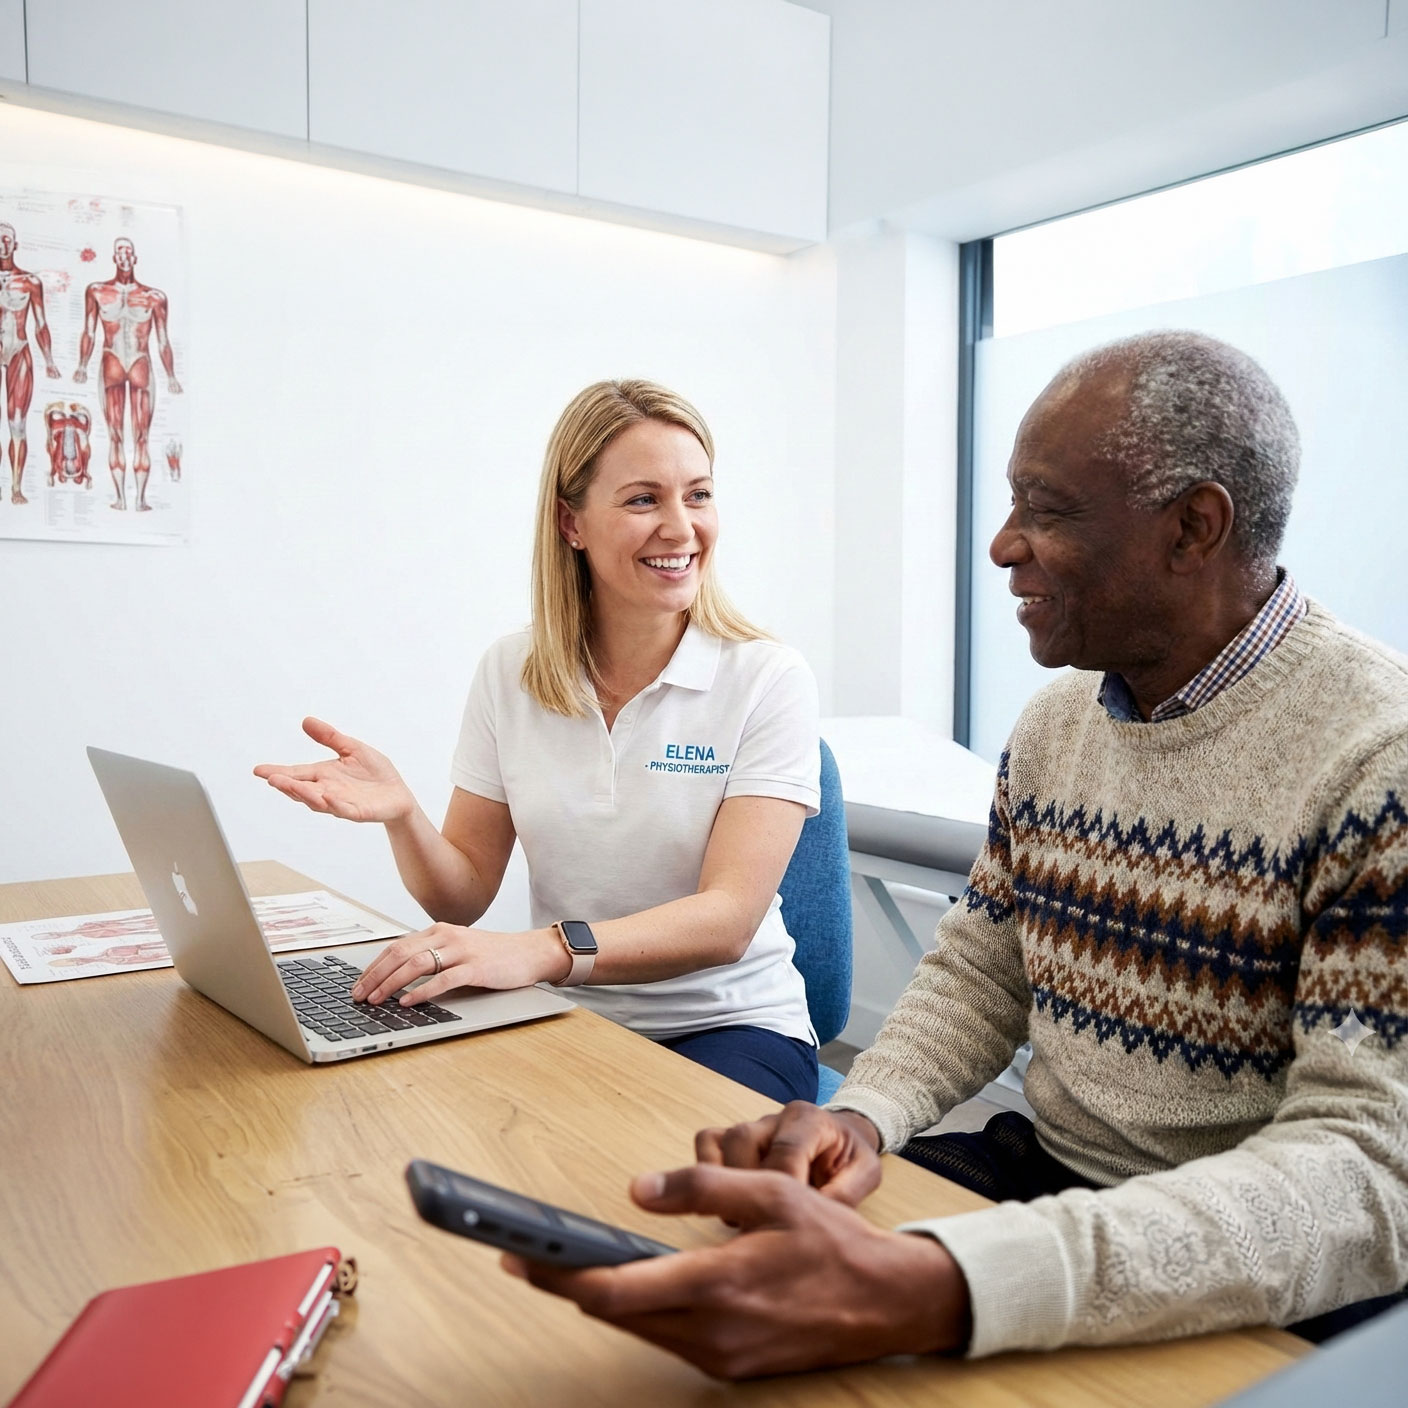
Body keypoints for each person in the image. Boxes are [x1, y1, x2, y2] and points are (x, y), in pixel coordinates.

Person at [508, 332, 1408, 1376]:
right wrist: (857, 1118)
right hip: (1050, 1176)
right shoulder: (1058, 724)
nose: (1001, 545)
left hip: (1258, 1259)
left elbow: (1366, 1174)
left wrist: (954, 1280)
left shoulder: (1375, 757)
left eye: (1048, 509)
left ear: (1192, 527)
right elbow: (981, 970)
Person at [255, 380, 822, 1102]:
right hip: (561, 1014)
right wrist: (403, 815)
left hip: (729, 1027)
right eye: (644, 499)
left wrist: (540, 952)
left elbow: (728, 920)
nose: (681, 528)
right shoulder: (511, 672)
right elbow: (459, 895)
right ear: (571, 524)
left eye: (699, 495)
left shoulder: (767, 677)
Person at [73, 236, 182, 512]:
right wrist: (82, 365)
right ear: (114, 258)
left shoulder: (154, 297)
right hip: (111, 361)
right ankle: (120, 498)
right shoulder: (97, 291)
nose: (123, 256)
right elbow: (89, 330)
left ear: (134, 259)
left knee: (142, 434)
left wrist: (171, 376)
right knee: (115, 433)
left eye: (128, 252)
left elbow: (163, 339)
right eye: (119, 252)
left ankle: (141, 498)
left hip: (140, 362)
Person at [0, 221, 62, 504]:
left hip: (20, 351)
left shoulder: (29, 282)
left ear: (15, 244)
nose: (2, 244)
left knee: (17, 423)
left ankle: (15, 487)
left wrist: (49, 359)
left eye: (6, 239)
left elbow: (40, 323)